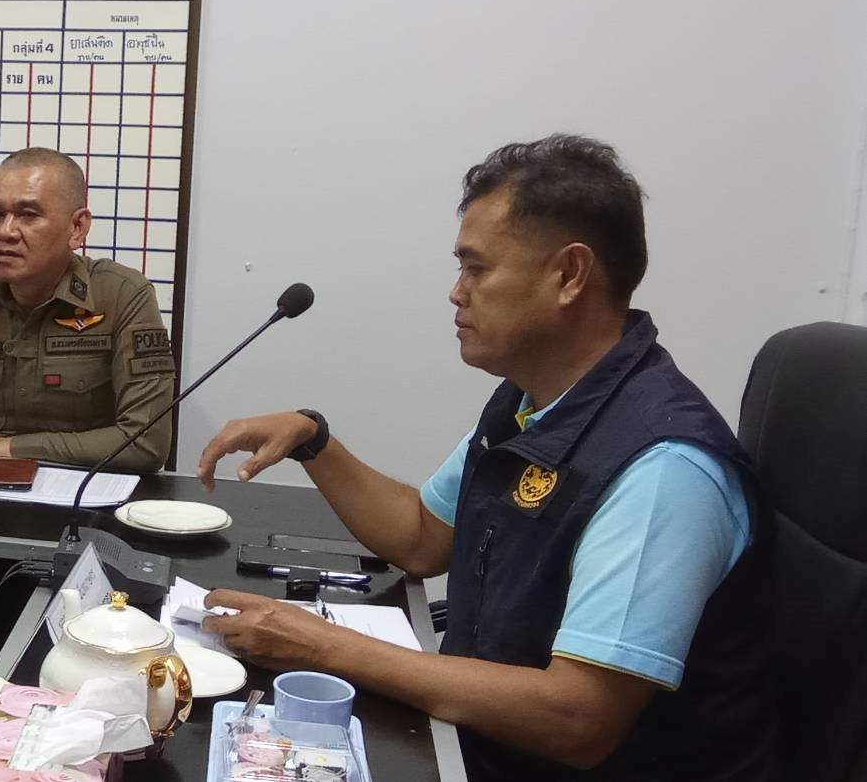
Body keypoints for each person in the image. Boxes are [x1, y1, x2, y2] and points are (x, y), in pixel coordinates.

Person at [194, 136, 773, 780]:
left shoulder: (663, 468)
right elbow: (422, 537)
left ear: (569, 275)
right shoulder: (534, 401)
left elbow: (578, 718)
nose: (456, 292)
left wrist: (323, 646)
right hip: (480, 744)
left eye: (476, 269)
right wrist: (314, 441)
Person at [0, 147, 176, 479]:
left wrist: (11, 448)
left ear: (77, 228)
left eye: (28, 215)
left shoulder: (123, 295)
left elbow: (147, 442)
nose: (5, 231)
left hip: (90, 489)